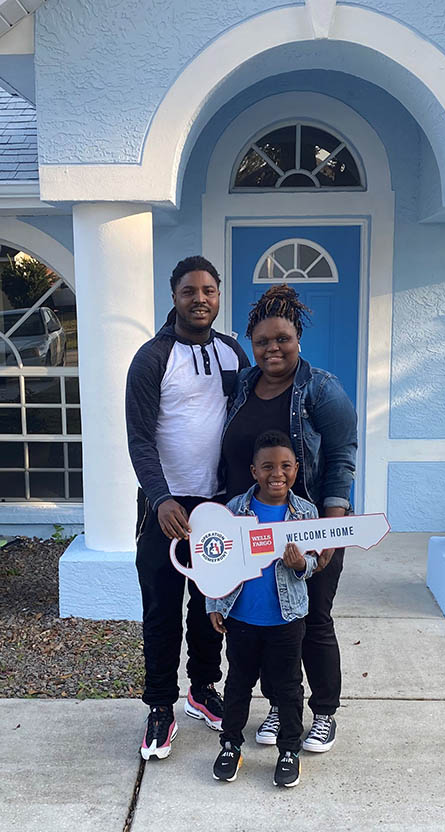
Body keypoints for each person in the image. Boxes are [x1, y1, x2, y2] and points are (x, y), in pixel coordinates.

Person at [219, 285, 357, 754]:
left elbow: (341, 456)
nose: (272, 349)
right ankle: (282, 706)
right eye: (262, 342)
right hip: (250, 528)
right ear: (250, 344)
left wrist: (331, 531)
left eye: (282, 339)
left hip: (306, 524)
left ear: (298, 338)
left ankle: (323, 714)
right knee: (273, 622)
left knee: (313, 618)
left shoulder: (321, 389)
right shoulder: (242, 384)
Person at [126, 256, 250, 760]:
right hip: (166, 509)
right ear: (174, 296)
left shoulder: (232, 353)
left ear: (219, 297)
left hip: (217, 508)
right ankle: (160, 706)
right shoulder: (153, 358)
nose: (200, 299)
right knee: (161, 611)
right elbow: (139, 439)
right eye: (190, 290)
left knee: (209, 608)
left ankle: (203, 688)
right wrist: (160, 498)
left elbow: (243, 425)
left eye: (209, 291)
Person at [207, 430, 318, 788]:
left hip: (287, 618)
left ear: (296, 469)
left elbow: (314, 564)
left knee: (287, 687)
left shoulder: (306, 514)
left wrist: (300, 564)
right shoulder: (233, 510)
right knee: (238, 684)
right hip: (241, 617)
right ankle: (231, 745)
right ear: (254, 470)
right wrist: (214, 603)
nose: (277, 474)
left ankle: (289, 750)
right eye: (268, 466)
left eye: (286, 466)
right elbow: (216, 562)